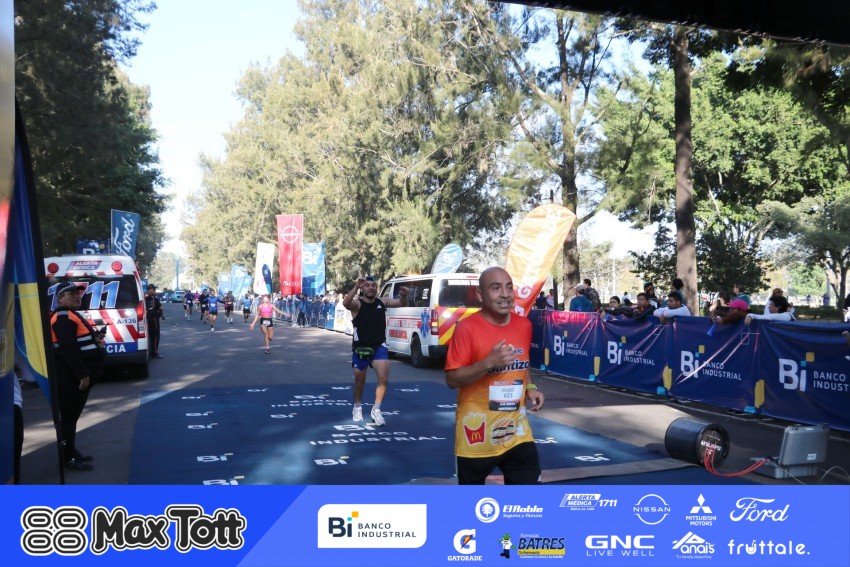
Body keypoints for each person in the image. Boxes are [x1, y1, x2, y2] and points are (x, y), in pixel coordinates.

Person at [445, 267, 544, 485]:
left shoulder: (524, 325)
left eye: (509, 287)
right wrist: (489, 362)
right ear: (480, 295)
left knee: (528, 498)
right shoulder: (466, 328)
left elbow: (523, 360)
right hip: (476, 433)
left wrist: (530, 387)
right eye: (496, 288)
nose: (505, 294)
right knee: (472, 503)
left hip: (516, 431)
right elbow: (452, 379)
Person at [50, 281, 106, 471]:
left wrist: (95, 339)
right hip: (69, 377)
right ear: (60, 298)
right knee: (68, 417)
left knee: (71, 417)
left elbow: (77, 342)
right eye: (71, 294)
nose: (77, 296)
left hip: (72, 375)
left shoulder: (70, 315)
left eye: (78, 293)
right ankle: (68, 458)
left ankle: (71, 452)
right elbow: (68, 348)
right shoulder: (63, 317)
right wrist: (82, 375)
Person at [343, 276, 408, 426]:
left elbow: (401, 303)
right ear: (362, 289)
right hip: (361, 348)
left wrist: (404, 295)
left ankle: (376, 409)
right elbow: (346, 304)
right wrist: (355, 286)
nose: (371, 288)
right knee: (360, 381)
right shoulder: (357, 304)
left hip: (379, 347)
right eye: (367, 286)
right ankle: (357, 406)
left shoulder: (382, 302)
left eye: (373, 285)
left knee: (383, 379)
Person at [144, 284, 164, 358]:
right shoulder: (152, 298)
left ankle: (151, 351)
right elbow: (161, 308)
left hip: (147, 318)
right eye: (153, 289)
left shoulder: (144, 297)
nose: (155, 291)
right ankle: (155, 352)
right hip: (153, 318)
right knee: (155, 335)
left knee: (150, 335)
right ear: (150, 290)